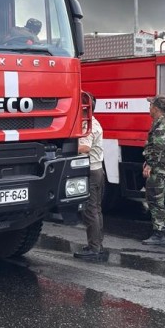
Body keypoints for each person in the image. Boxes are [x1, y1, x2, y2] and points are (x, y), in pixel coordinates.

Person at [141, 95, 165, 245]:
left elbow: (158, 147)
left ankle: (159, 234)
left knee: (155, 200)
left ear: (156, 108)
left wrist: (150, 164)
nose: (149, 108)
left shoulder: (162, 125)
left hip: (159, 167)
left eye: (150, 106)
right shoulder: (161, 123)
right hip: (161, 164)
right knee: (155, 198)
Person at [73, 93, 107, 262]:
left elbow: (85, 147)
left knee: (90, 210)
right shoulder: (96, 122)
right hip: (98, 170)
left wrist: (69, 146)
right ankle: (97, 245)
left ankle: (94, 249)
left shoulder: (89, 124)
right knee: (97, 209)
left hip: (91, 171)